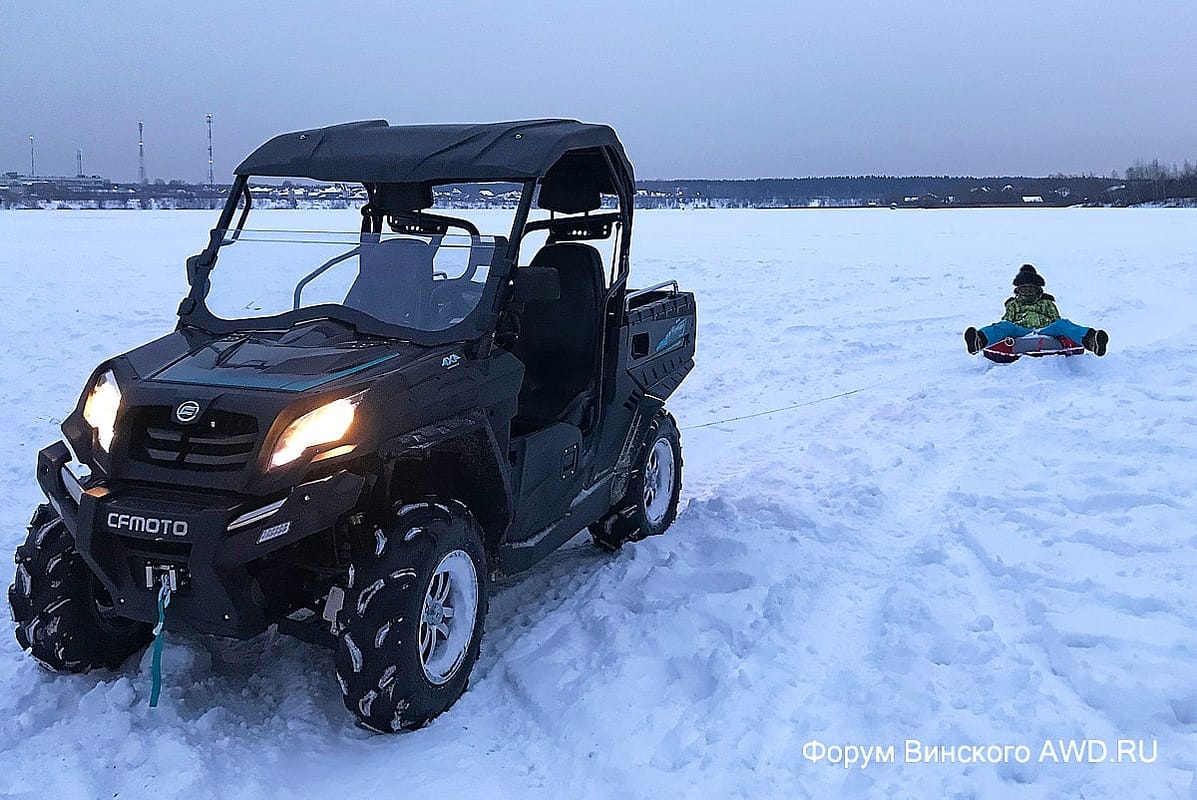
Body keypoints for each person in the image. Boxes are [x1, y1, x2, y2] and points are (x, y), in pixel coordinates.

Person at [965, 264, 1109, 356]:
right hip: (1021, 330)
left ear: (1038, 290)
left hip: (1045, 329)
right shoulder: (1013, 304)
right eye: (1024, 289)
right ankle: (980, 340)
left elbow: (1055, 320)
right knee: (1003, 326)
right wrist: (1009, 330)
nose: (1027, 292)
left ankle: (1091, 340)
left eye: (1030, 289)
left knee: (1063, 324)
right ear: (1018, 291)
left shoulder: (1046, 303)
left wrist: (1058, 331)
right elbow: (1008, 321)